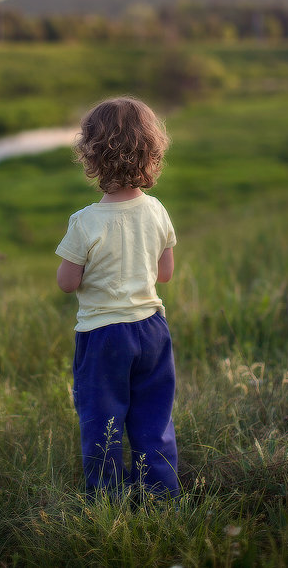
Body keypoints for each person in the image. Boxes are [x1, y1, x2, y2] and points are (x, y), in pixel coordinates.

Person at [55, 96, 179, 498]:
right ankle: (160, 497)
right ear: (151, 152)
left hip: (104, 336)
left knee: (102, 422)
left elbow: (67, 282)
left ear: (91, 154)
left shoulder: (84, 222)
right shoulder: (157, 211)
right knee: (153, 418)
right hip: (151, 330)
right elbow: (165, 273)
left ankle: (107, 500)